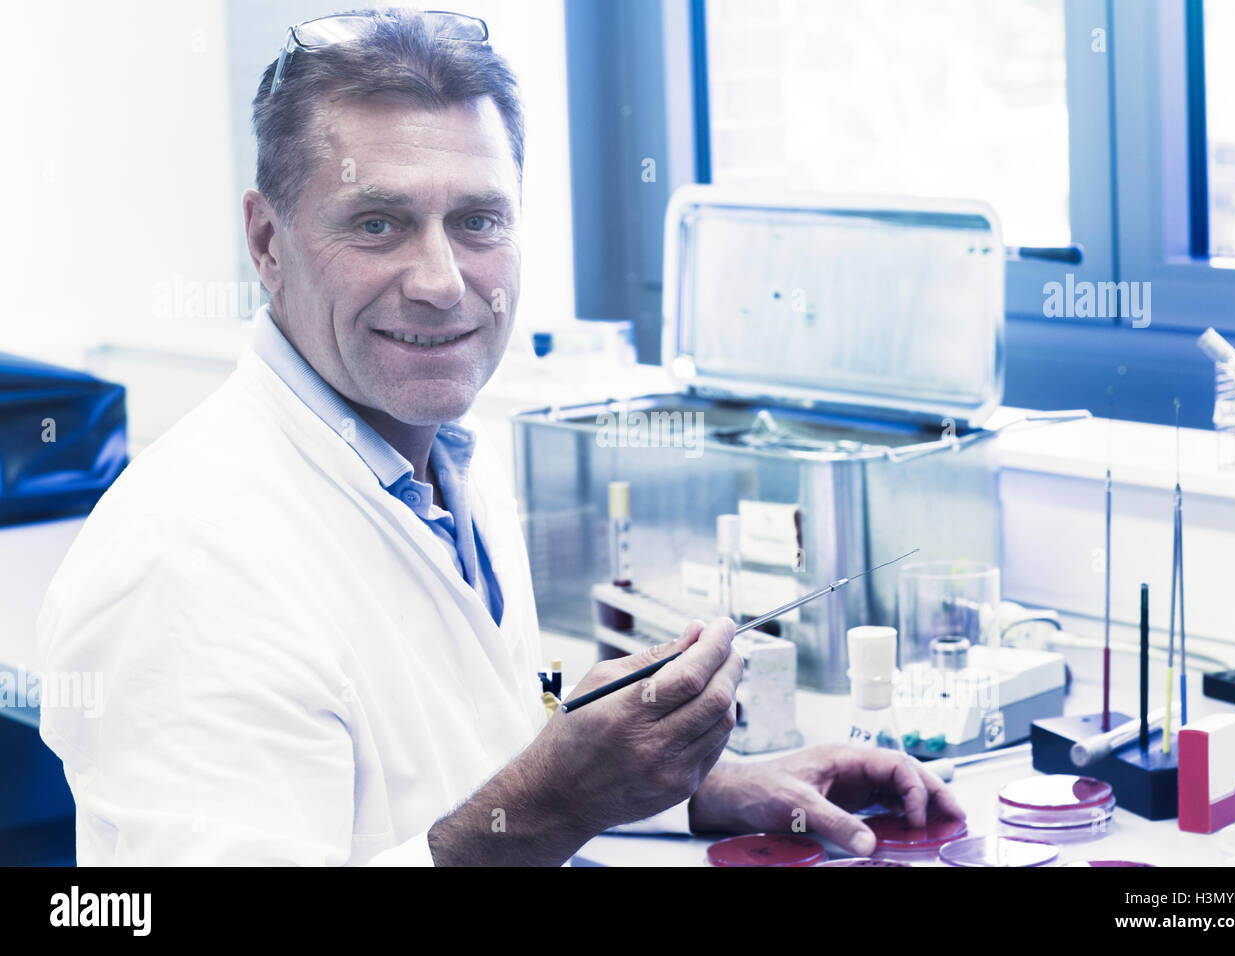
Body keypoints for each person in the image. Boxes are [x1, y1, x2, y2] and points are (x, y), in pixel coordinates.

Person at [37, 8, 961, 865]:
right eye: (378, 223)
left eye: (478, 221)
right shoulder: (186, 564)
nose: (441, 281)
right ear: (267, 241)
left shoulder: (434, 449)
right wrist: (561, 797)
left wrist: (698, 787)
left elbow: (463, 746)